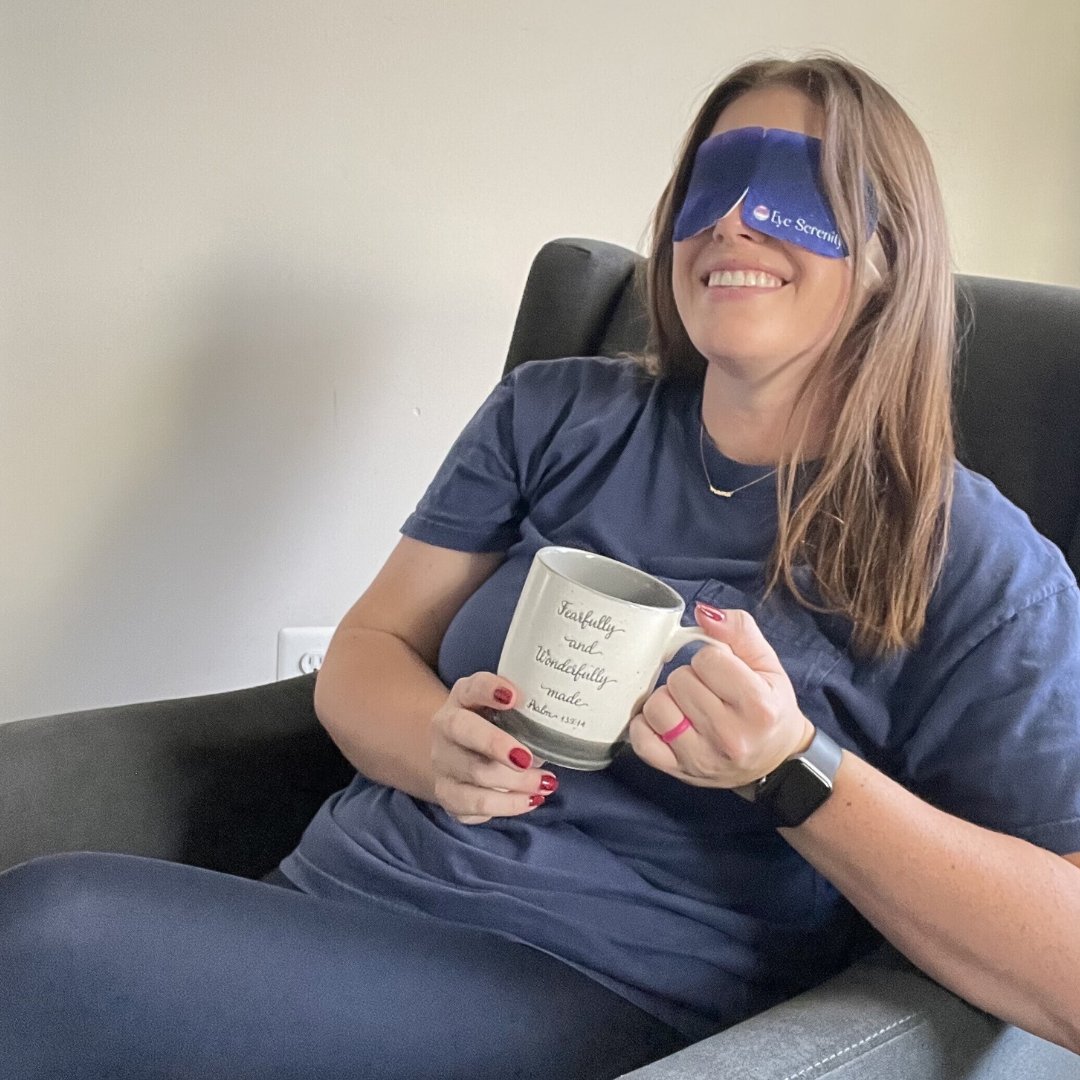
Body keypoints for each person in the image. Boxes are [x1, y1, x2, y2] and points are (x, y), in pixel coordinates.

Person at [2, 54, 1079, 1079]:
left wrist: (790, 767)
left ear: (893, 250)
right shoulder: (557, 414)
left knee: (49, 931)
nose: (737, 216)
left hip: (596, 991)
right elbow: (370, 649)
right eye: (714, 178)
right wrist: (435, 747)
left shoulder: (974, 565)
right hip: (330, 909)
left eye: (796, 187)